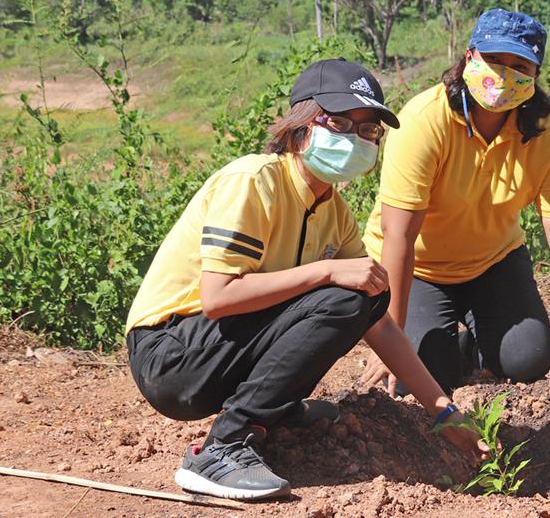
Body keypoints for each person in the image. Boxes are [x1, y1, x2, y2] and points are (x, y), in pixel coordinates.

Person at [125, 59, 485, 501]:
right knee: (344, 293)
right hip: (171, 354)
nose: (355, 138)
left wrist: (443, 411)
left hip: (216, 349)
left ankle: (272, 411)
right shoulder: (254, 181)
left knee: (365, 294)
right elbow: (217, 299)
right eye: (339, 122)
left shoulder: (334, 213)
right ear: (300, 125)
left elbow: (378, 319)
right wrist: (327, 270)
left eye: (368, 130)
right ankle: (221, 448)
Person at [358, 9, 550, 401]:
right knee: (415, 374)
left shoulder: (544, 136)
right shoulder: (426, 121)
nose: (504, 74)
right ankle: (438, 345)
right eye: (494, 60)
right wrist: (392, 339)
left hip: (492, 260)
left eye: (519, 65)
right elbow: (399, 235)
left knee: (527, 359)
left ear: (535, 76)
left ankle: (467, 346)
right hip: (419, 266)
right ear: (470, 58)